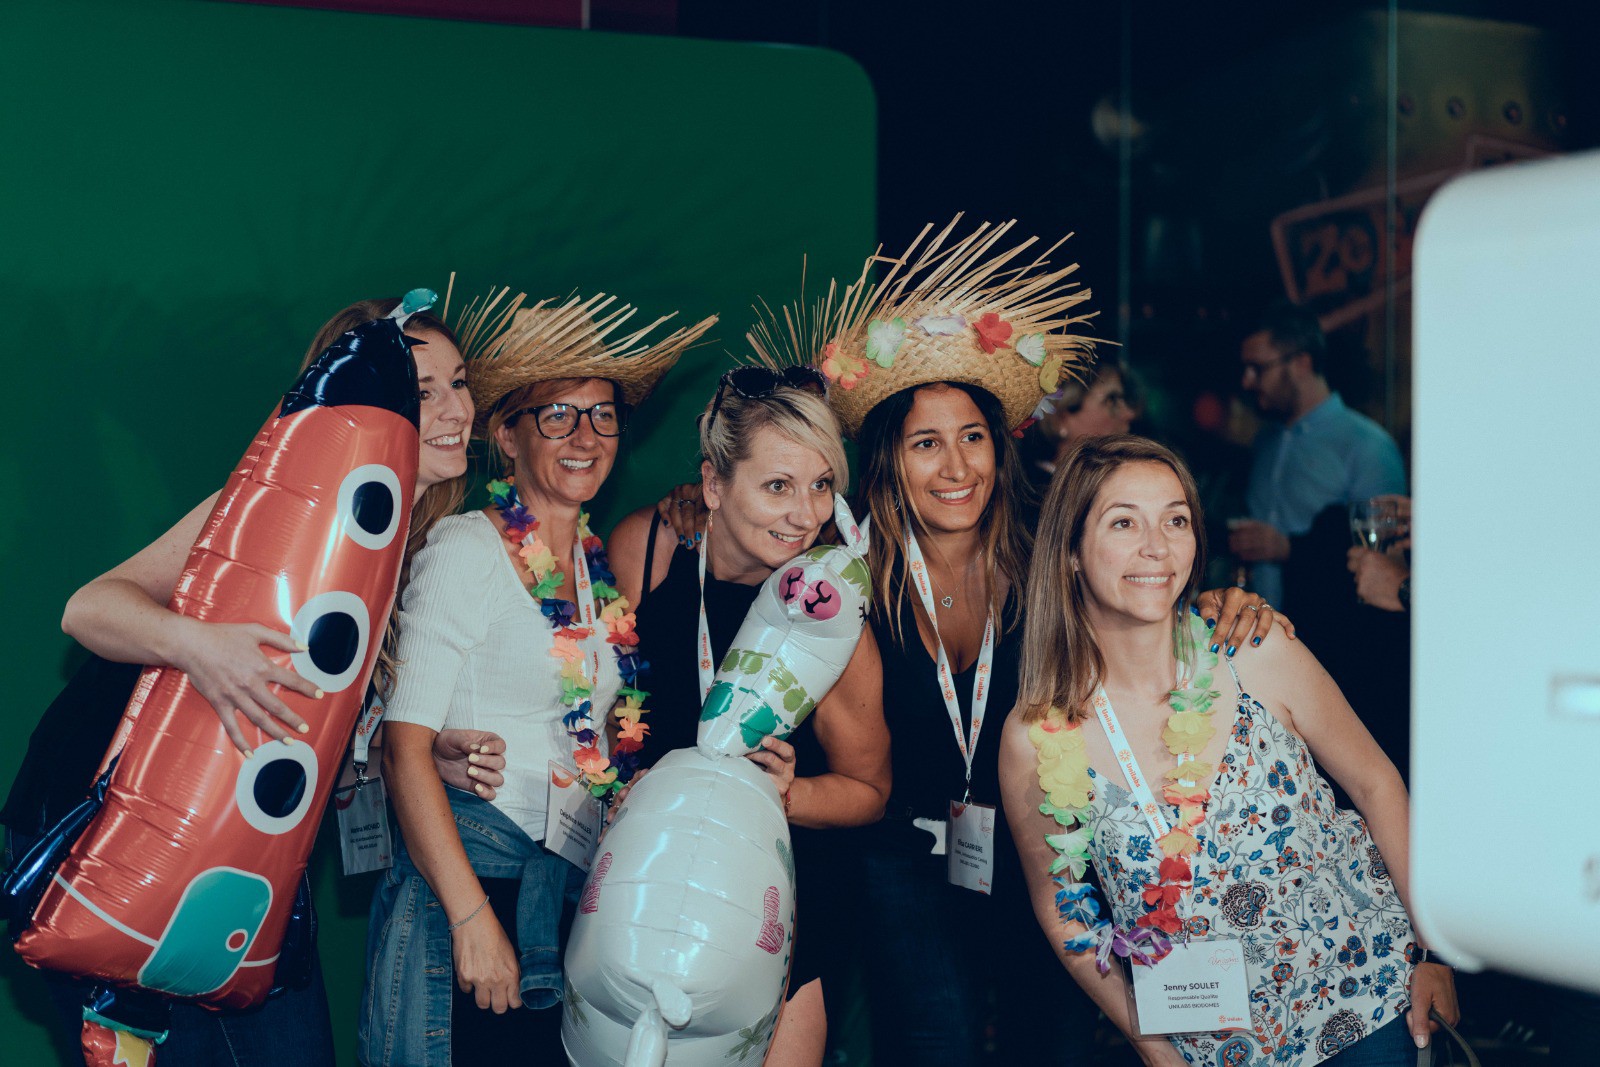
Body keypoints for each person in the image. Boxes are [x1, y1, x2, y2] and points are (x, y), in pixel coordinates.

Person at [747, 217, 1288, 1066]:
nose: (956, 465)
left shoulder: (1051, 556)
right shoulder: (848, 583)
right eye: (927, 442)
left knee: (1058, 1044)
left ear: (999, 448)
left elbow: (1141, 599)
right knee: (937, 1044)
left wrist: (1221, 604)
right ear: (891, 458)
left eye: (972, 438)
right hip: (904, 859)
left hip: (1049, 845)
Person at [1, 295, 500, 1066]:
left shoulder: (404, 543)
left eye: (459, 383)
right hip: (109, 836)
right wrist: (199, 646)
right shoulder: (275, 508)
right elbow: (86, 609)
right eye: (423, 389)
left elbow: (308, 713)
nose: (452, 409)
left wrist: (403, 756)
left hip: (244, 860)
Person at [1000, 434, 1458, 1066]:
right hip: (1213, 1051)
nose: (1156, 546)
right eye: (1124, 522)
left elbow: (1377, 784)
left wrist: (1434, 952)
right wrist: (1155, 1049)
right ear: (1070, 553)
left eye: (1176, 520)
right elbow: (1066, 918)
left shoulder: (1253, 653)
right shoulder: (1037, 737)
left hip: (1365, 1003)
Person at [360, 292, 713, 1064]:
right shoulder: (464, 548)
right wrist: (469, 918)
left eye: (602, 414)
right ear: (507, 437)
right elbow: (402, 749)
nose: (585, 436)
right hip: (474, 885)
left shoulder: (592, 566)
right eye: (557, 415)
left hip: (559, 904)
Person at [607, 365, 890, 1066]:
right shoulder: (645, 552)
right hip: (643, 898)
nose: (805, 513)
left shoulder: (829, 611)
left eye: (822, 484)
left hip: (777, 913)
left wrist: (788, 793)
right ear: (712, 486)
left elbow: (871, 791)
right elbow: (589, 709)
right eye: (777, 485)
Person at [1227, 302, 1405, 611]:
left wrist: (1288, 550)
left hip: (1333, 641)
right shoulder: (1265, 441)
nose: (1247, 382)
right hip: (1255, 633)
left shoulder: (1368, 446)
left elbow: (1388, 563)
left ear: (1301, 363)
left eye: (1258, 368)